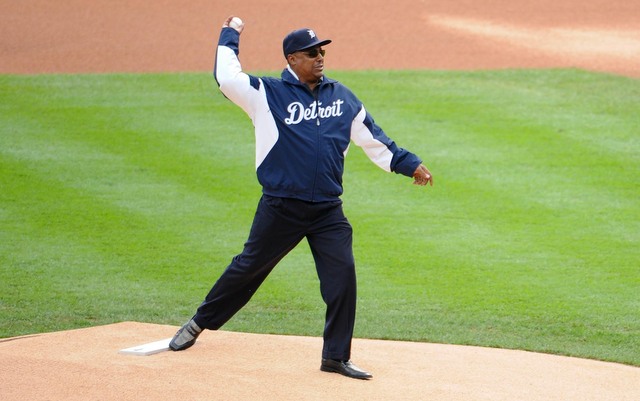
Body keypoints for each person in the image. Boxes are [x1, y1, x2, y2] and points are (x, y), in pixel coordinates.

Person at [169, 16, 434, 380]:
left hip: (327, 210)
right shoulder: (267, 94)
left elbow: (376, 140)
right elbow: (227, 77)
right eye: (311, 53)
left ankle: (335, 357)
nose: (320, 57)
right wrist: (231, 32)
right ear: (292, 59)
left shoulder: (342, 97)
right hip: (281, 206)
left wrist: (411, 164)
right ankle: (200, 322)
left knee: (343, 277)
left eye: (322, 51)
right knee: (248, 269)